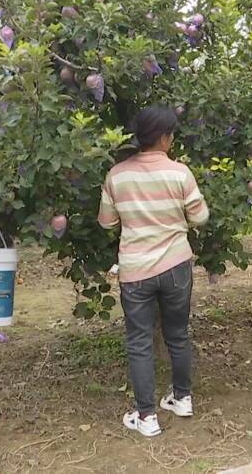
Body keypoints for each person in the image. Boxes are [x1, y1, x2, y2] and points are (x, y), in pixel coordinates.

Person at [97, 105, 210, 438]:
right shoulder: (180, 173)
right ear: (163, 137)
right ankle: (182, 398)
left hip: (136, 271)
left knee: (139, 342)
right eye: (171, 134)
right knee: (178, 334)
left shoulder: (117, 175)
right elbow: (200, 217)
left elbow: (107, 222)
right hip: (176, 265)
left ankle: (146, 417)